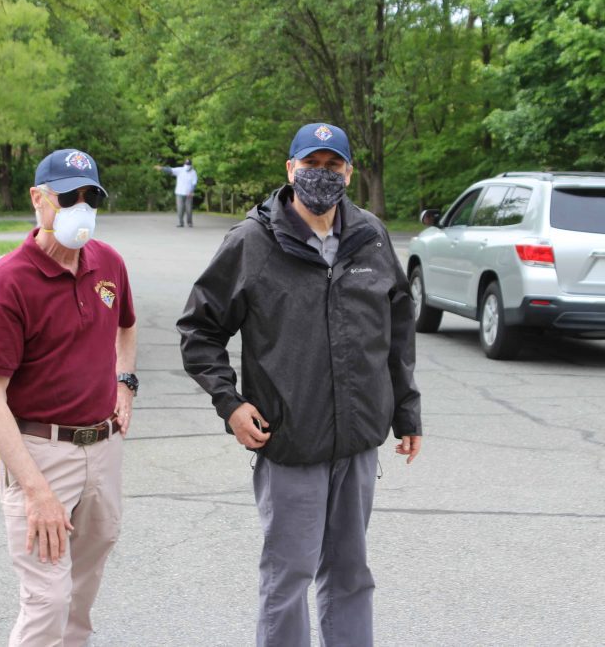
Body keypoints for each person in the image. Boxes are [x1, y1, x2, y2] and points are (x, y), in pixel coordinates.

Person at [177, 122, 422, 646]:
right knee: (288, 579)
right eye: (311, 164)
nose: (322, 174)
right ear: (290, 169)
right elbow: (200, 331)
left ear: (349, 173)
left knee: (351, 575)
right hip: (291, 442)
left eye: (333, 165)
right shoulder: (252, 242)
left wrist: (407, 411)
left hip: (357, 441)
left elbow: (397, 328)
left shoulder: (370, 236)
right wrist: (230, 403)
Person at [0, 148, 138, 646]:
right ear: (38, 199)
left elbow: (126, 326)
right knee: (47, 600)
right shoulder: (8, 281)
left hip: (102, 449)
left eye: (90, 197)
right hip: (41, 454)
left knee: (80, 596)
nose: (80, 208)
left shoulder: (108, 263)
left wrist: (125, 384)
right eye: (68, 197)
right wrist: (36, 490)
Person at [155, 158, 198, 227]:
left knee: (189, 209)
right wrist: (161, 168)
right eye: (186, 164)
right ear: (184, 164)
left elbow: (194, 183)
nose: (187, 166)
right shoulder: (180, 170)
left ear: (191, 165)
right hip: (179, 193)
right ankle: (181, 223)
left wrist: (191, 191)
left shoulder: (193, 172)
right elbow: (170, 170)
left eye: (188, 165)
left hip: (189, 194)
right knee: (180, 209)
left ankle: (189, 222)